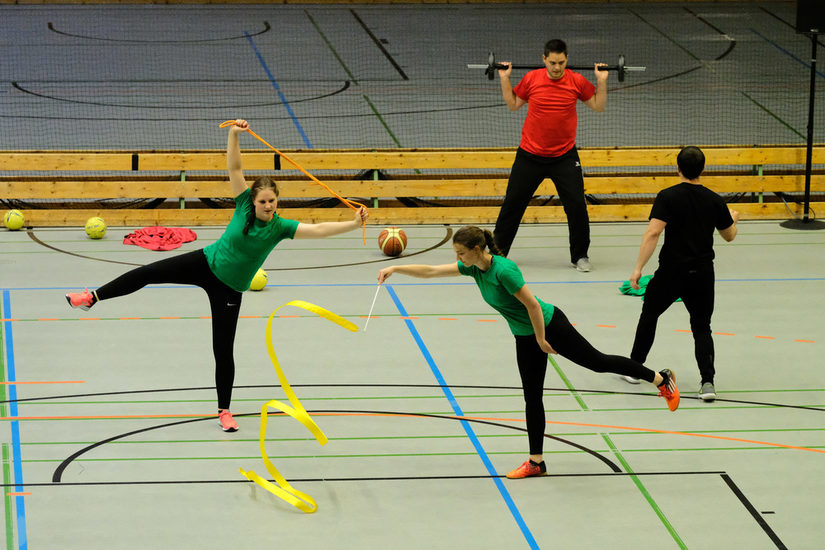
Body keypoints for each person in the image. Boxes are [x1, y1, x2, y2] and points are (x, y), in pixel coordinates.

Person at [65, 119, 369, 432]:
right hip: (205, 262)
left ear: (277, 202)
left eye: (272, 201)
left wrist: (353, 225)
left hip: (230, 290)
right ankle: (92, 297)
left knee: (222, 350)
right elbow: (235, 170)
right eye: (263, 200)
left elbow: (318, 230)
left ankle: (224, 411)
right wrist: (234, 135)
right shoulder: (242, 205)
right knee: (148, 273)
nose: (267, 205)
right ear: (253, 200)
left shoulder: (281, 228)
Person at [377, 226, 679, 479]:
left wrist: (542, 338)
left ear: (479, 249)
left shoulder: (503, 271)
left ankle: (660, 379)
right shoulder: (474, 269)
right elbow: (430, 271)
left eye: (460, 253)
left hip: (549, 326)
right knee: (532, 396)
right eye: (456, 254)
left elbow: (532, 305)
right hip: (526, 335)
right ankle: (537, 462)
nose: (457, 259)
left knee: (597, 363)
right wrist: (396, 267)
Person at [622, 146, 738, 403]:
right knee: (701, 328)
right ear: (703, 170)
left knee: (649, 314)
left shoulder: (667, 196)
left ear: (678, 168)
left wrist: (638, 268)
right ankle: (707, 383)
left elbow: (653, 233)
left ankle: (634, 368)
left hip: (671, 273)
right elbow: (729, 236)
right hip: (703, 275)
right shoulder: (715, 200)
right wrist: (733, 218)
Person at [493, 38, 608, 272]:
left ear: (567, 60)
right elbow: (514, 104)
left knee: (576, 206)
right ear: (543, 59)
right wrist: (505, 79)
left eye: (561, 62)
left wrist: (601, 82)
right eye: (553, 62)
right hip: (529, 155)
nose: (557, 68)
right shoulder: (531, 79)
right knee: (512, 204)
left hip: (564, 156)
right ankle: (497, 254)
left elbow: (598, 105)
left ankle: (580, 256)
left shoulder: (576, 81)